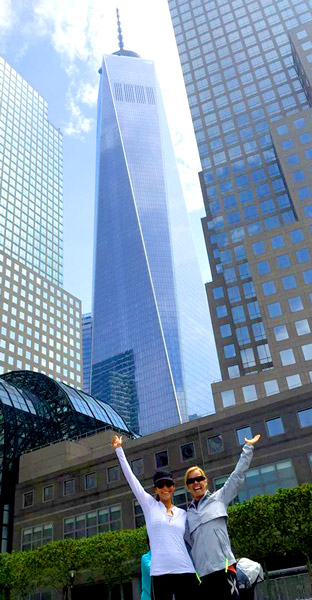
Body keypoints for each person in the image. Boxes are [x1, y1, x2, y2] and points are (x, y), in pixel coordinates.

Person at [112, 435, 199, 600]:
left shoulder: (183, 513)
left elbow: (195, 540)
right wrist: (119, 450)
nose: (165, 488)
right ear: (156, 489)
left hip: (186, 570)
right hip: (161, 573)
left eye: (168, 484)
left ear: (173, 487)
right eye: (160, 485)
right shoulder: (150, 506)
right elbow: (132, 479)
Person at [184, 434, 261, 600]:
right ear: (188, 487)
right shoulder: (187, 515)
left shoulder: (219, 498)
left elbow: (237, 476)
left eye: (199, 479)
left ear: (206, 482)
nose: (196, 483)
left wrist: (248, 448)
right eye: (192, 481)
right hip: (203, 575)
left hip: (225, 569)